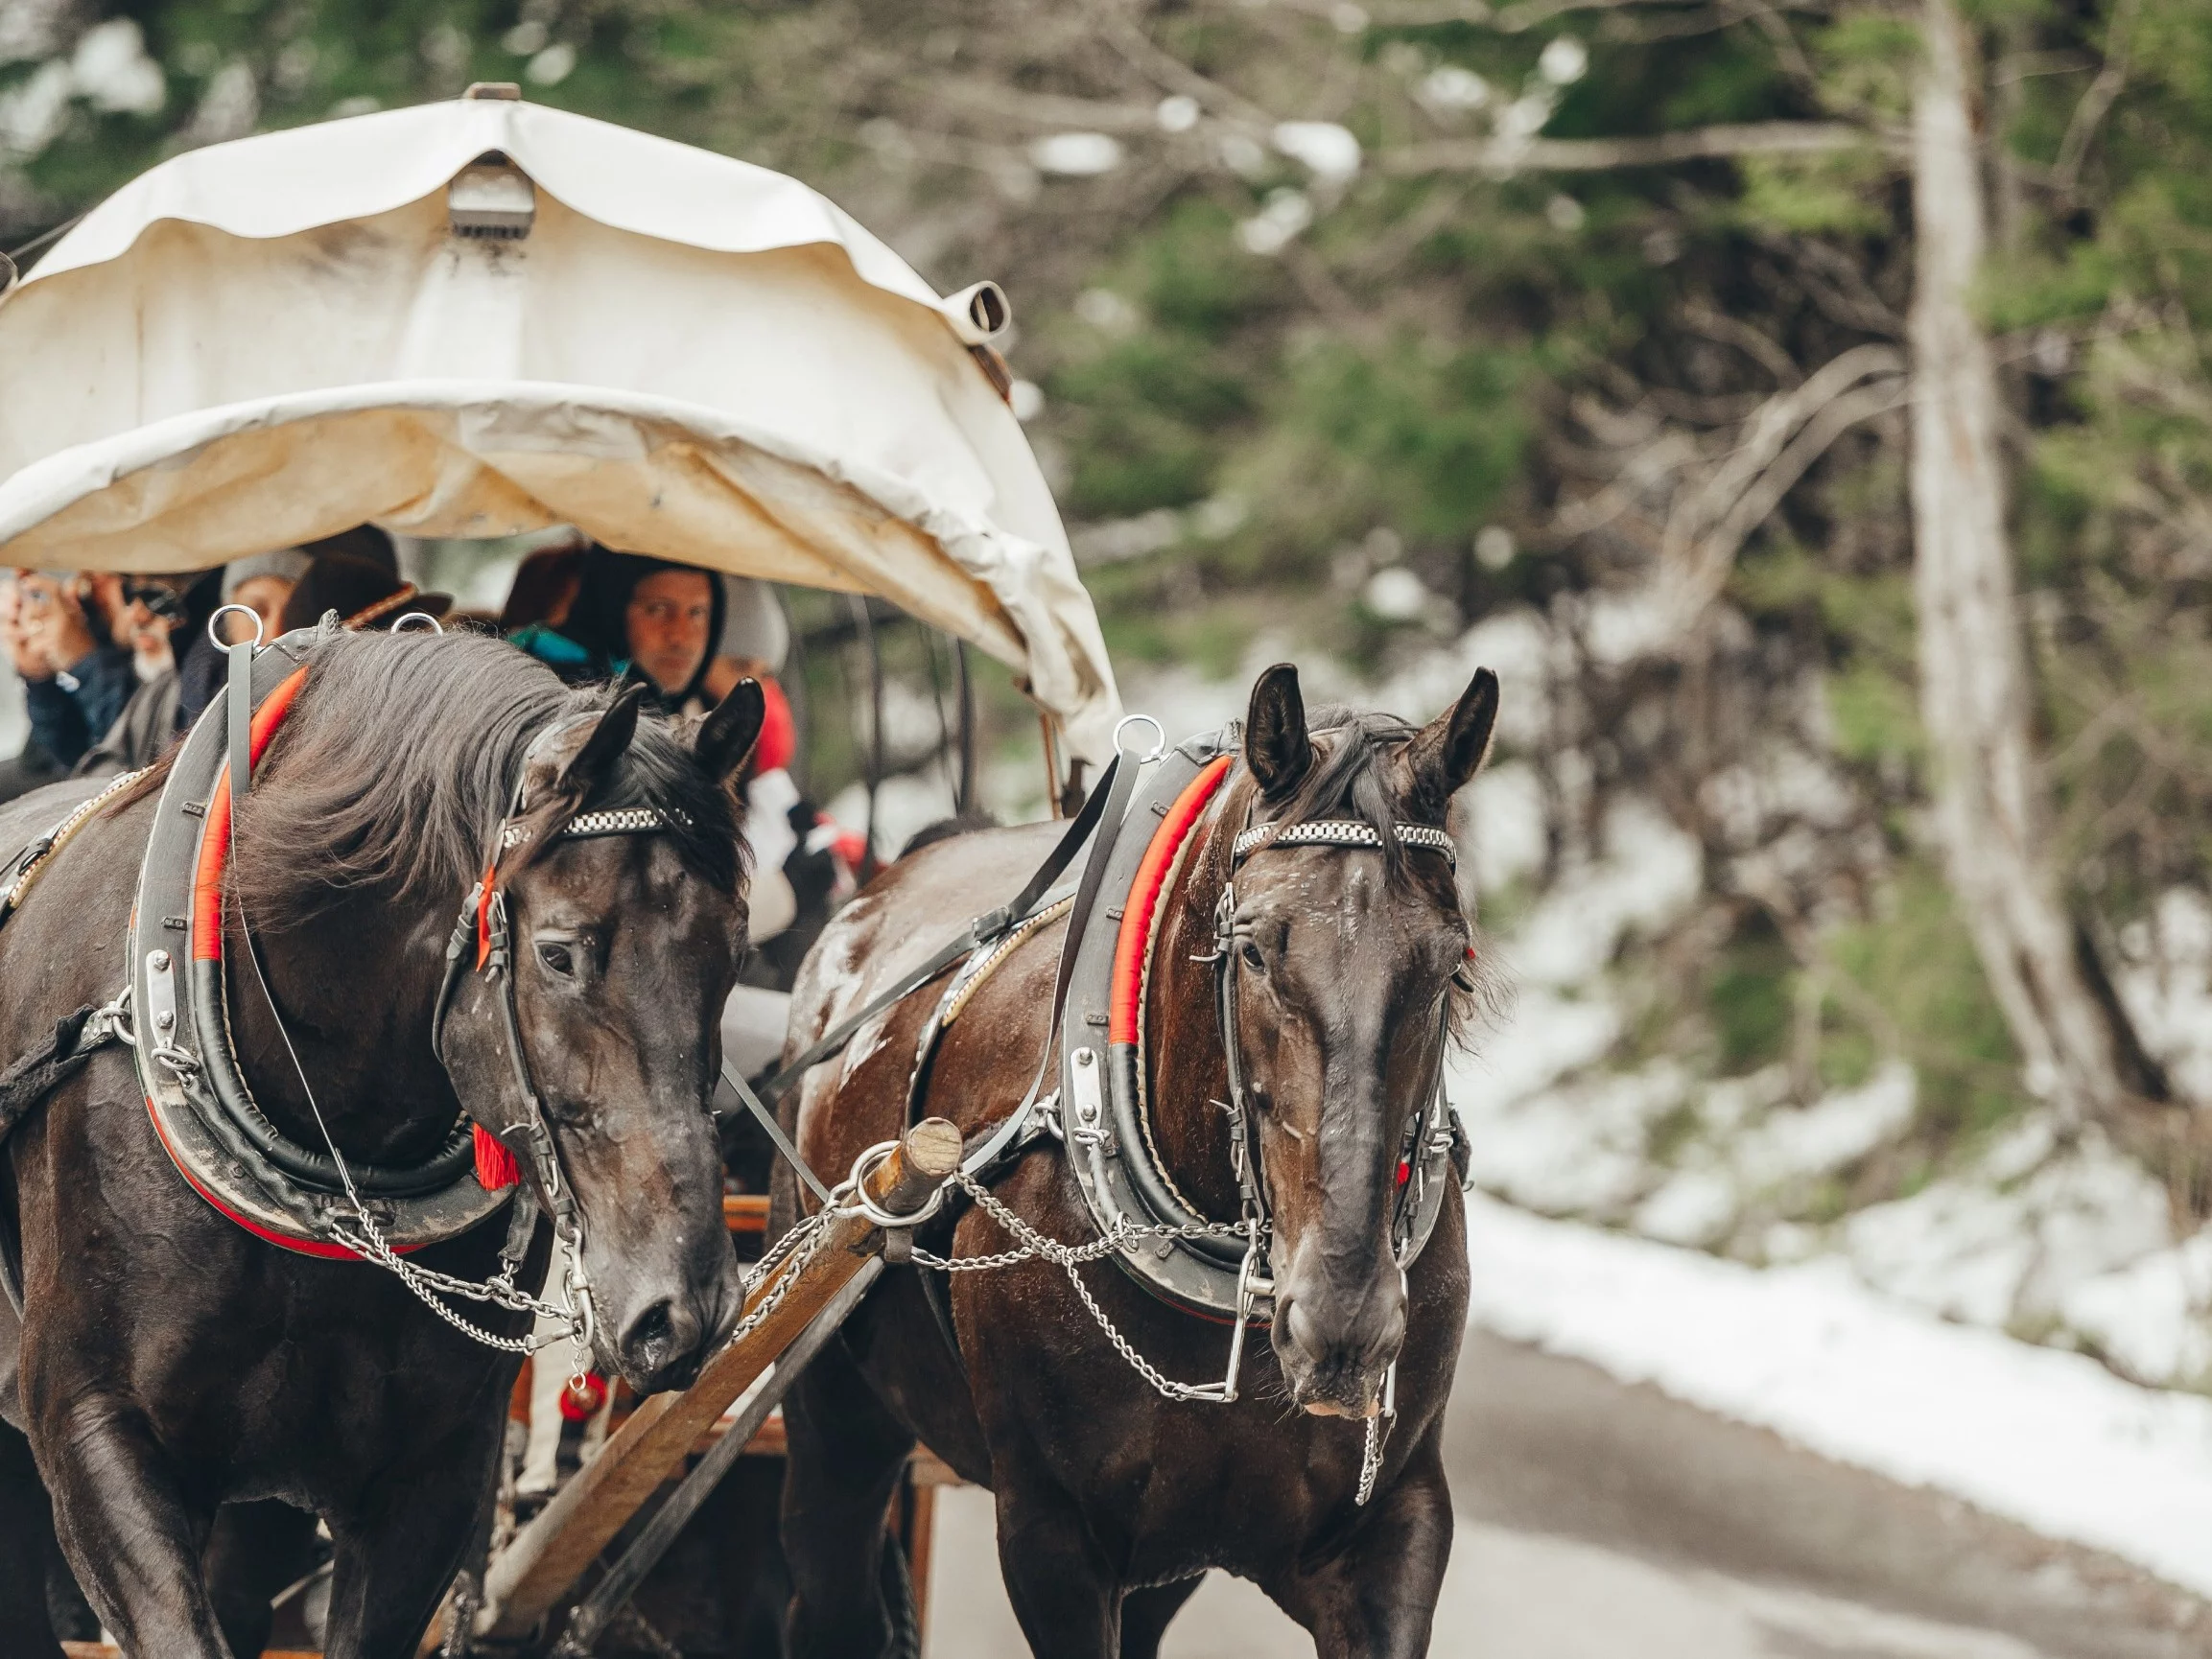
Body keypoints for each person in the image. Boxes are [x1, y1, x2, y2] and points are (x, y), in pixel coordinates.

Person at [0, 572, 134, 796]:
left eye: (95, 581)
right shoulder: (106, 636)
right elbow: (59, 755)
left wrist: (84, 660)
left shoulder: (162, 662)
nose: (77, 593)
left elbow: (128, 755)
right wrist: (39, 677)